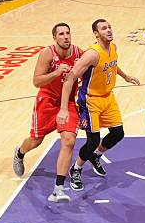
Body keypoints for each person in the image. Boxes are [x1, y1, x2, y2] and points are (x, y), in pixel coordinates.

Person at [57, 19, 140, 190]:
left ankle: (96, 156)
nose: (109, 30)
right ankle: (76, 169)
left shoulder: (113, 47)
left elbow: (112, 65)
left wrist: (125, 76)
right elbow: (71, 77)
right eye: (104, 28)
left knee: (118, 133)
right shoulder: (92, 54)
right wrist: (64, 108)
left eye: (109, 27)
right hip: (90, 100)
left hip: (108, 97)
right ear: (96, 34)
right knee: (92, 140)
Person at [13, 23, 82, 202]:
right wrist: (56, 73)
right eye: (61, 34)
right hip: (47, 102)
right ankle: (20, 153)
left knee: (69, 140)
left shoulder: (77, 52)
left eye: (68, 33)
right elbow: (36, 81)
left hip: (67, 103)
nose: (66, 37)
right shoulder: (47, 54)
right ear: (54, 38)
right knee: (36, 140)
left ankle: (58, 188)